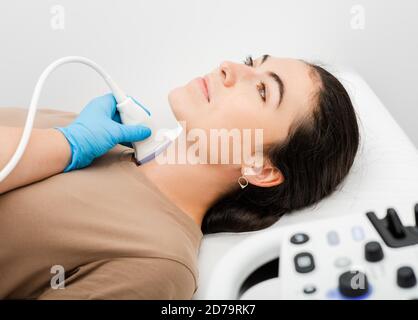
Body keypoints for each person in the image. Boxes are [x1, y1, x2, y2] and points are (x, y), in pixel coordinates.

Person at [0, 55, 359, 299]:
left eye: (263, 90)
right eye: (251, 62)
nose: (229, 67)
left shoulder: (157, 262)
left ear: (260, 168)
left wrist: (64, 145)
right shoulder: (96, 134)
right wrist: (65, 142)